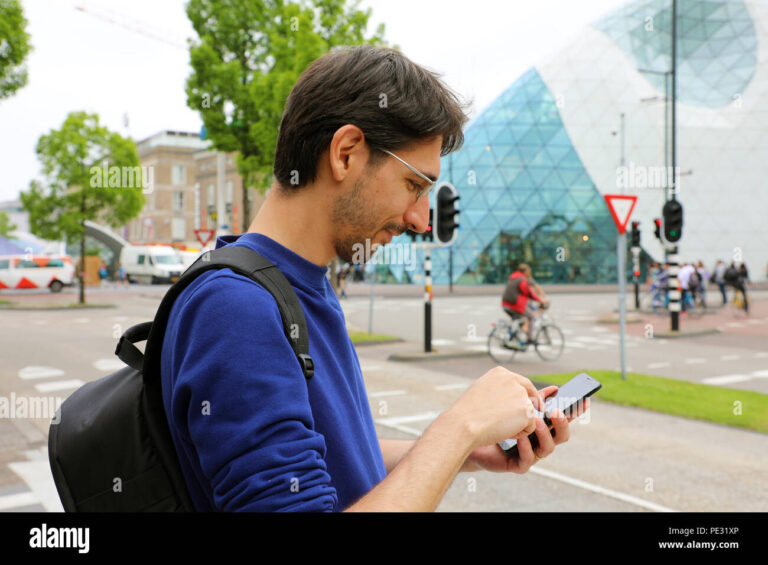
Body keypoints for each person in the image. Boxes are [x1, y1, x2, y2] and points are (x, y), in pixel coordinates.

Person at [160, 46, 588, 513]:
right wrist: (459, 426)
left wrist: (467, 452)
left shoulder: (297, 286)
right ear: (346, 154)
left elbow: (334, 460)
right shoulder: (237, 309)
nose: (421, 219)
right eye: (414, 185)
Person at [501, 263, 550, 349]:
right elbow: (528, 292)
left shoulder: (513, 277)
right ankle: (530, 339)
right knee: (532, 317)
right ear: (526, 271)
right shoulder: (523, 279)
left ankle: (517, 337)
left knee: (522, 320)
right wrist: (541, 300)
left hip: (506, 304)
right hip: (514, 305)